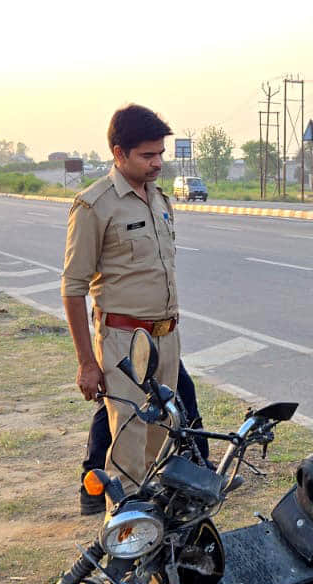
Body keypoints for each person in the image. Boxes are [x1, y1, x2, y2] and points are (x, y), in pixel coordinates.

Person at [62, 104, 179, 496]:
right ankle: (125, 541)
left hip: (166, 338)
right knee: (128, 454)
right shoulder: (95, 205)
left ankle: (154, 539)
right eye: (147, 155)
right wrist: (86, 363)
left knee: (160, 445)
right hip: (124, 343)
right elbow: (73, 287)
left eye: (160, 154)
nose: (157, 162)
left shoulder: (160, 200)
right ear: (118, 153)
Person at [79, 361, 210, 514]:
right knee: (125, 412)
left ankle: (156, 499)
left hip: (161, 339)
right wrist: (86, 363)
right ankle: (119, 508)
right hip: (125, 341)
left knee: (166, 404)